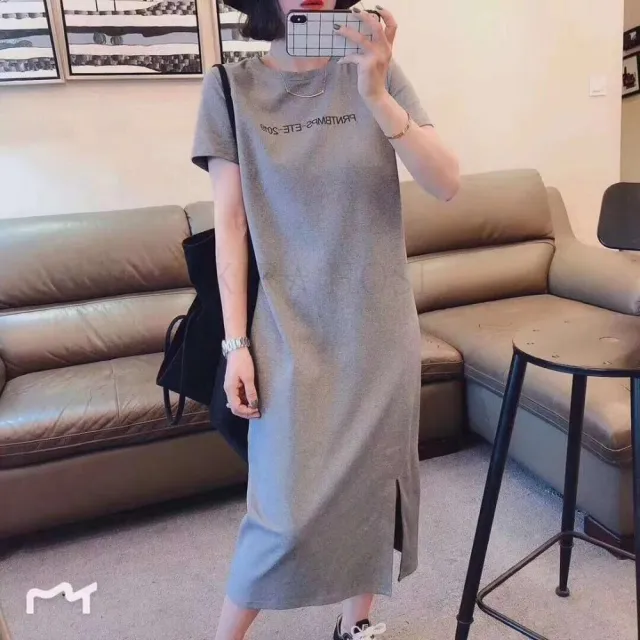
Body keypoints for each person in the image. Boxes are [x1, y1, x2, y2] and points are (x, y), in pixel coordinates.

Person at [191, 0, 459, 638]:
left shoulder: (373, 69)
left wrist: (377, 94)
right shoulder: (229, 89)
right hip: (285, 331)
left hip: (379, 331)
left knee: (371, 488)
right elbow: (231, 226)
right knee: (280, 515)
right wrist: (235, 344)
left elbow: (446, 182)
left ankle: (355, 625)